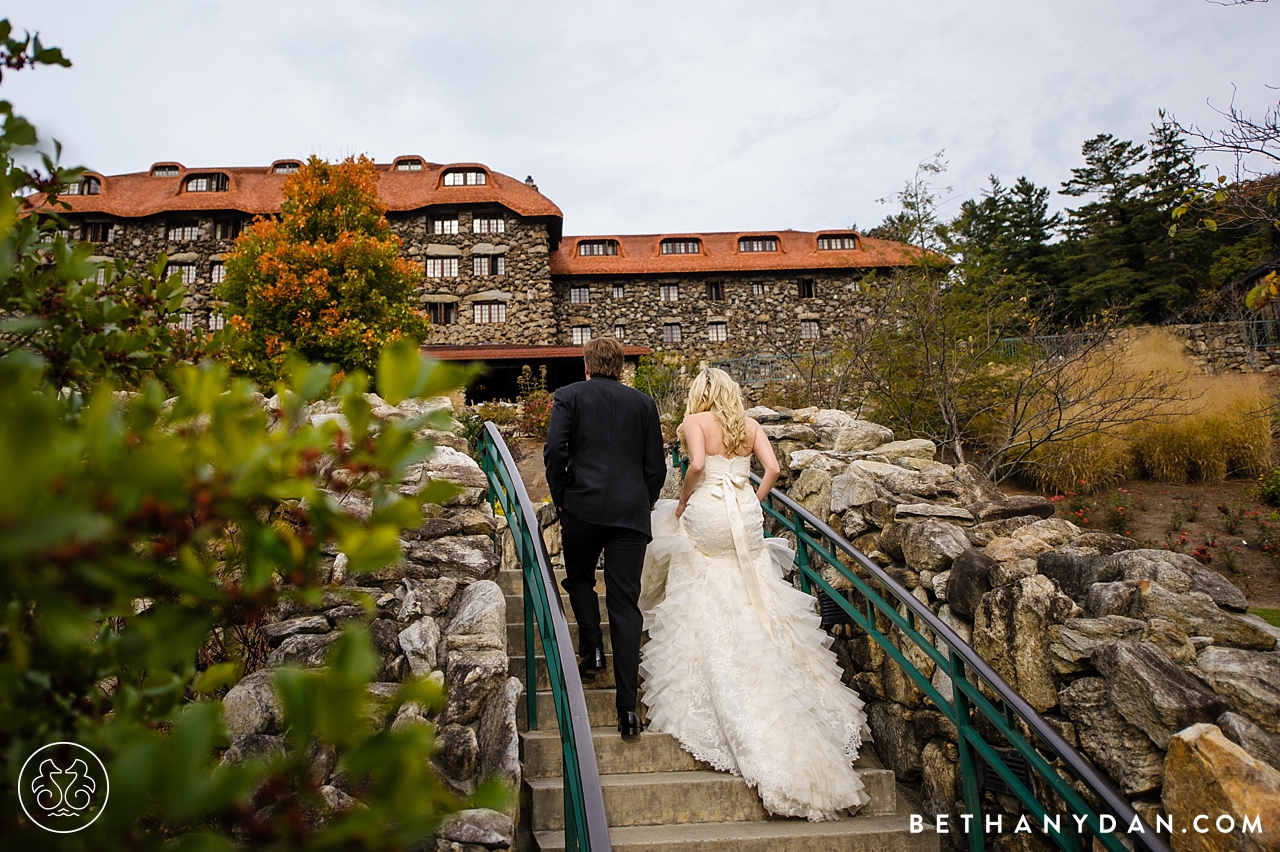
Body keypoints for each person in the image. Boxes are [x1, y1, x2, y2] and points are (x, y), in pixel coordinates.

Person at [638, 368, 871, 821]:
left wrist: (685, 501)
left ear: (699, 394)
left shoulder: (694, 422)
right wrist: (755, 499)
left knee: (679, 541)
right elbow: (774, 469)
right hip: (744, 514)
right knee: (752, 581)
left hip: (709, 511)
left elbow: (699, 467)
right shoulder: (749, 424)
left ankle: (715, 652)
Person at [543, 336, 666, 737]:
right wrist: (641, 503)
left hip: (581, 506)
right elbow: (656, 467)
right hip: (630, 514)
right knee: (625, 605)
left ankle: (593, 648)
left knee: (578, 577)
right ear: (621, 367)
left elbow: (554, 451)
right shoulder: (644, 405)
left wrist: (562, 496)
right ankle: (628, 711)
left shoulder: (569, 396)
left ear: (587, 365)